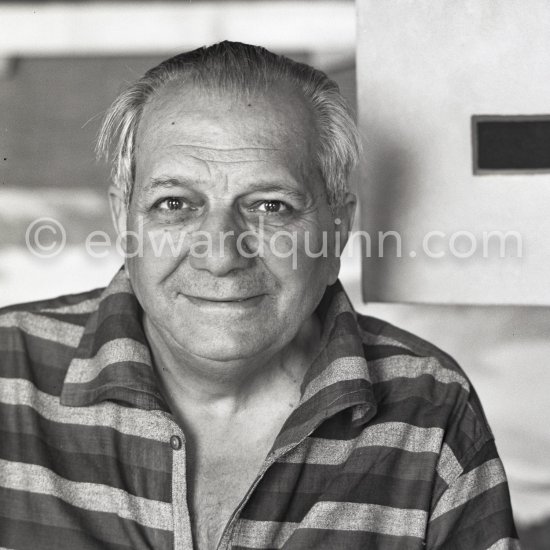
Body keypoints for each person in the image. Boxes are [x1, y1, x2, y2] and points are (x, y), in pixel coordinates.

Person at [0, 42, 519, 550]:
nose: (221, 255)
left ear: (337, 231)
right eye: (175, 203)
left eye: (270, 206)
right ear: (123, 219)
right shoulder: (8, 373)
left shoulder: (430, 410)